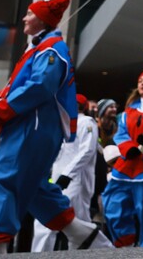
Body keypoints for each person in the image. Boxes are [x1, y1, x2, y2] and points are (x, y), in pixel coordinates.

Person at [0, 0, 111, 254]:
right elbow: (29, 85)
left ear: (43, 20)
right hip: (36, 126)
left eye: (29, 14)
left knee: (2, 180)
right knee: (34, 187)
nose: (24, 18)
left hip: (31, 126)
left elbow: (39, 86)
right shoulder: (44, 48)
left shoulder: (50, 49)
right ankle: (83, 235)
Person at [101, 71, 143, 246]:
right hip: (126, 164)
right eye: (140, 80)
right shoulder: (129, 110)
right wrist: (129, 149)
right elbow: (121, 133)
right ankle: (125, 241)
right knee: (113, 202)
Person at [31, 95, 100, 252]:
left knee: (79, 222)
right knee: (46, 220)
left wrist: (68, 174)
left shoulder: (86, 122)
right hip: (58, 179)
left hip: (76, 181)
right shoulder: (62, 124)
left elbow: (87, 150)